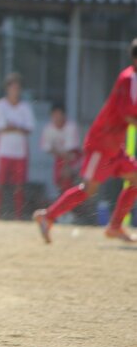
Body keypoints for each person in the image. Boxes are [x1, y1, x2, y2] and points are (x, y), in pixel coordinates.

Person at [34, 39, 137, 244]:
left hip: (114, 144)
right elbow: (127, 114)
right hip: (101, 142)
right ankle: (48, 216)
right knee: (88, 189)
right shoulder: (127, 79)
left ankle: (115, 227)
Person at [0, 72, 35, 220]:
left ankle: (18, 215)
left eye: (17, 88)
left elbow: (29, 128)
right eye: (12, 88)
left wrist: (12, 126)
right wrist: (17, 127)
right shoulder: (0, 105)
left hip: (20, 151)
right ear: (7, 89)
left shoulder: (25, 107)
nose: (15, 91)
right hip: (3, 150)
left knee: (19, 185)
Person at [40, 103, 82, 195]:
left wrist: (66, 166)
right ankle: (63, 205)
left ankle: (72, 206)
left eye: (59, 115)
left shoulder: (71, 127)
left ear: (64, 115)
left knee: (69, 181)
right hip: (61, 158)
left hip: (74, 158)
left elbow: (71, 151)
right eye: (54, 116)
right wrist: (60, 154)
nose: (57, 118)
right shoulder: (48, 129)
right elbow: (46, 148)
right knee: (58, 182)